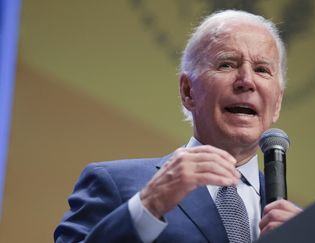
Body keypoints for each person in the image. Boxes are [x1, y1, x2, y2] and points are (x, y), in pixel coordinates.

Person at [54, 9, 302, 243]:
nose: (246, 81)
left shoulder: (301, 222)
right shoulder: (118, 185)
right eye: (226, 64)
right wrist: (150, 204)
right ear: (188, 91)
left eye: (261, 69)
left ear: (277, 102)